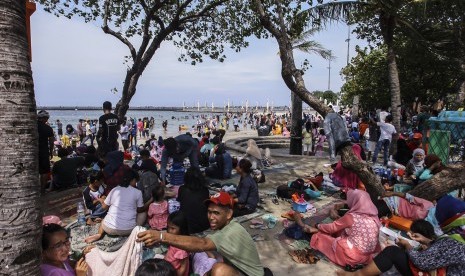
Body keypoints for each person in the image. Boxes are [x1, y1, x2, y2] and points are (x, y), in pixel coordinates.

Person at [137, 192, 265, 276]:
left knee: (219, 270)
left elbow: (202, 243)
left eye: (216, 213)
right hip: (238, 269)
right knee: (212, 267)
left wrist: (161, 236)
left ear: (229, 214)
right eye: (209, 212)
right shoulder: (225, 228)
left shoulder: (231, 231)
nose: (211, 217)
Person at [336, 218, 465, 276]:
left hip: (431, 270)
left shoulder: (457, 244)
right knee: (393, 252)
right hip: (434, 266)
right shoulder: (455, 240)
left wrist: (408, 245)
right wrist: (426, 243)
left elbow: (423, 262)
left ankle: (358, 275)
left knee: (392, 252)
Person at [295, 189, 381, 267]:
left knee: (320, 237)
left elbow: (332, 228)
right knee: (341, 229)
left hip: (351, 257)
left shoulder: (352, 217)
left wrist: (318, 225)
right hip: (366, 257)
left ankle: (312, 230)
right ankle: (314, 229)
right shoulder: (374, 218)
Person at [85, 169, 152, 243]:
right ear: (133, 180)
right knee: (143, 213)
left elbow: (104, 207)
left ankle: (99, 234)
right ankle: (133, 230)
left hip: (108, 228)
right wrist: (151, 200)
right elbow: (140, 210)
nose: (136, 183)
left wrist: (103, 200)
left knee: (106, 218)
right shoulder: (137, 192)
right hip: (127, 230)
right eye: (135, 181)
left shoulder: (115, 189)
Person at [177, 168, 210, 234]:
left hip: (186, 225)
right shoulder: (205, 190)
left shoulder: (182, 189)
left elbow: (181, 202)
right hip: (203, 225)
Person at [164, 211, 190, 276]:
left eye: (173, 228)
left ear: (182, 229)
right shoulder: (173, 240)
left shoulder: (181, 247)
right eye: (168, 227)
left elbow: (183, 267)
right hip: (168, 268)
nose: (169, 231)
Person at [38, 110, 55, 194]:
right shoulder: (48, 128)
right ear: (45, 118)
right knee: (44, 171)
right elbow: (51, 142)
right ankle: (42, 190)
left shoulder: (32, 126)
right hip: (43, 151)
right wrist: (51, 152)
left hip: (33, 151)